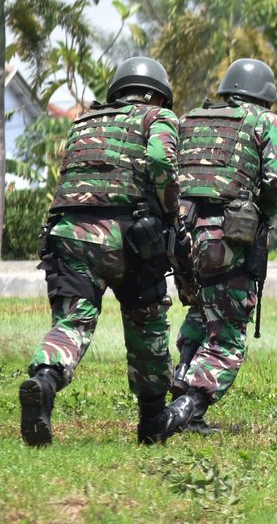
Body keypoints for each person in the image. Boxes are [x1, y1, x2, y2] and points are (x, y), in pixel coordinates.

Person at [19, 57, 180, 447]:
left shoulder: (83, 123)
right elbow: (160, 160)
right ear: (156, 93)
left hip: (67, 233)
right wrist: (170, 207)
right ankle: (152, 420)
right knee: (147, 323)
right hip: (130, 235)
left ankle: (44, 381)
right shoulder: (157, 118)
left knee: (73, 323)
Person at [150, 58, 277, 442]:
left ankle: (182, 377)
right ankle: (185, 409)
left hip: (179, 236)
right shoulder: (264, 122)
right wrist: (258, 212)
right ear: (265, 94)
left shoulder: (189, 118)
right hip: (225, 238)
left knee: (200, 308)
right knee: (228, 334)